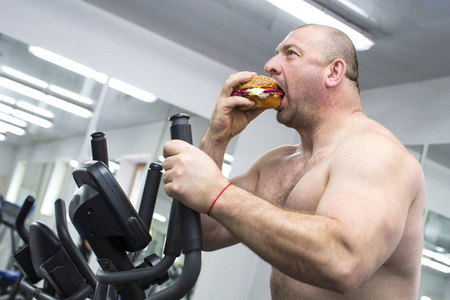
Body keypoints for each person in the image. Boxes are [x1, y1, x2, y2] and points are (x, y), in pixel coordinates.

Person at [162, 24, 426, 299]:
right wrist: (216, 140)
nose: (270, 65)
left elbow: (342, 261)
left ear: (333, 72)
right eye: (276, 54)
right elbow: (204, 235)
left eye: (290, 53)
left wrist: (219, 193)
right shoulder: (276, 164)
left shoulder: (375, 152)